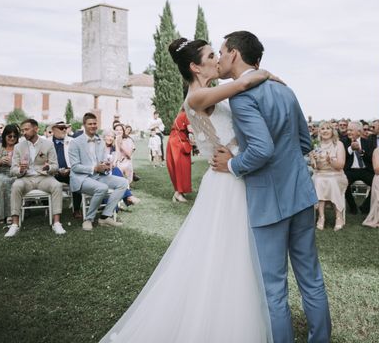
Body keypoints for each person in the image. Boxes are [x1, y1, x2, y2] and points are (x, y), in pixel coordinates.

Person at [100, 36, 279, 343]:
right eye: (211, 55)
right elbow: (240, 86)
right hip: (226, 183)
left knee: (229, 254)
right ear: (196, 67)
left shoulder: (209, 92)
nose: (216, 59)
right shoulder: (195, 97)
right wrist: (261, 74)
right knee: (226, 254)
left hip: (231, 176)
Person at [212, 31, 331, 343]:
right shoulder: (284, 89)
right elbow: (305, 142)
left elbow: (262, 149)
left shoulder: (241, 95)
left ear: (235, 54)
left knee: (274, 288)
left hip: (270, 203)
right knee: (311, 278)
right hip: (302, 194)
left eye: (222, 52)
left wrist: (233, 164)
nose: (220, 58)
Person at [4, 119, 66, 237]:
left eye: (26, 129)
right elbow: (13, 170)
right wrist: (20, 170)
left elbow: (55, 166)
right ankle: (15, 224)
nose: (24, 133)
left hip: (43, 177)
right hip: (26, 178)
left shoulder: (48, 144)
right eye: (22, 130)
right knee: (16, 185)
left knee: (57, 185)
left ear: (36, 129)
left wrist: (48, 168)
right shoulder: (18, 146)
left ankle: (57, 223)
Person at [68, 112, 128, 231]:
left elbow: (100, 161)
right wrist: (94, 168)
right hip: (81, 179)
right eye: (90, 124)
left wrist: (105, 165)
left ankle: (105, 216)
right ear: (84, 125)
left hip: (98, 176)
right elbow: (75, 167)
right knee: (102, 188)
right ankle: (89, 219)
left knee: (123, 183)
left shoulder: (100, 141)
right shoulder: (75, 142)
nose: (93, 126)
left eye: (95, 123)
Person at [310, 121, 348, 231]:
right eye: (322, 129)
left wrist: (329, 160)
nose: (325, 131)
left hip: (336, 174)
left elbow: (340, 165)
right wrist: (313, 159)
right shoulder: (317, 145)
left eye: (328, 128)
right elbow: (315, 167)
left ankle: (339, 216)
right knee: (318, 181)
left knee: (331, 181)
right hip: (320, 174)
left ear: (332, 131)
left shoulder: (339, 144)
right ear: (319, 132)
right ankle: (321, 217)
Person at [0, 124, 20, 223]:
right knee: (3, 180)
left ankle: (12, 214)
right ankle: (1, 215)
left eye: (15, 136)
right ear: (4, 136)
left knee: (14, 181)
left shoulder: (19, 148)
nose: (12, 138)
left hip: (15, 174)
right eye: (10, 136)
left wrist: (12, 164)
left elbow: (24, 165)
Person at [341, 121, 376, 215]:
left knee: (378, 183)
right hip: (350, 170)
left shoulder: (368, 142)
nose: (348, 132)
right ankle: (353, 207)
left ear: (359, 132)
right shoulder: (343, 142)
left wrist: (361, 151)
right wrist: (350, 149)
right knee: (342, 182)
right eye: (348, 130)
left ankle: (365, 207)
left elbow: (371, 158)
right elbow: (342, 157)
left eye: (351, 130)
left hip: (365, 170)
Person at [50, 121, 80, 218]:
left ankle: (76, 209)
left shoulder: (72, 141)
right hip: (52, 173)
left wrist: (70, 169)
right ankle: (52, 210)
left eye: (65, 128)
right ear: (53, 129)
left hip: (70, 172)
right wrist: (55, 169)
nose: (64, 130)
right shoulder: (46, 142)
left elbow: (78, 159)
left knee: (77, 180)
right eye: (61, 128)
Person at [167, 109, 194, 203]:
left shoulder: (180, 114)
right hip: (179, 143)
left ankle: (179, 191)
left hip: (173, 141)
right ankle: (178, 193)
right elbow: (191, 129)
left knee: (176, 167)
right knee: (181, 167)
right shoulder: (187, 115)